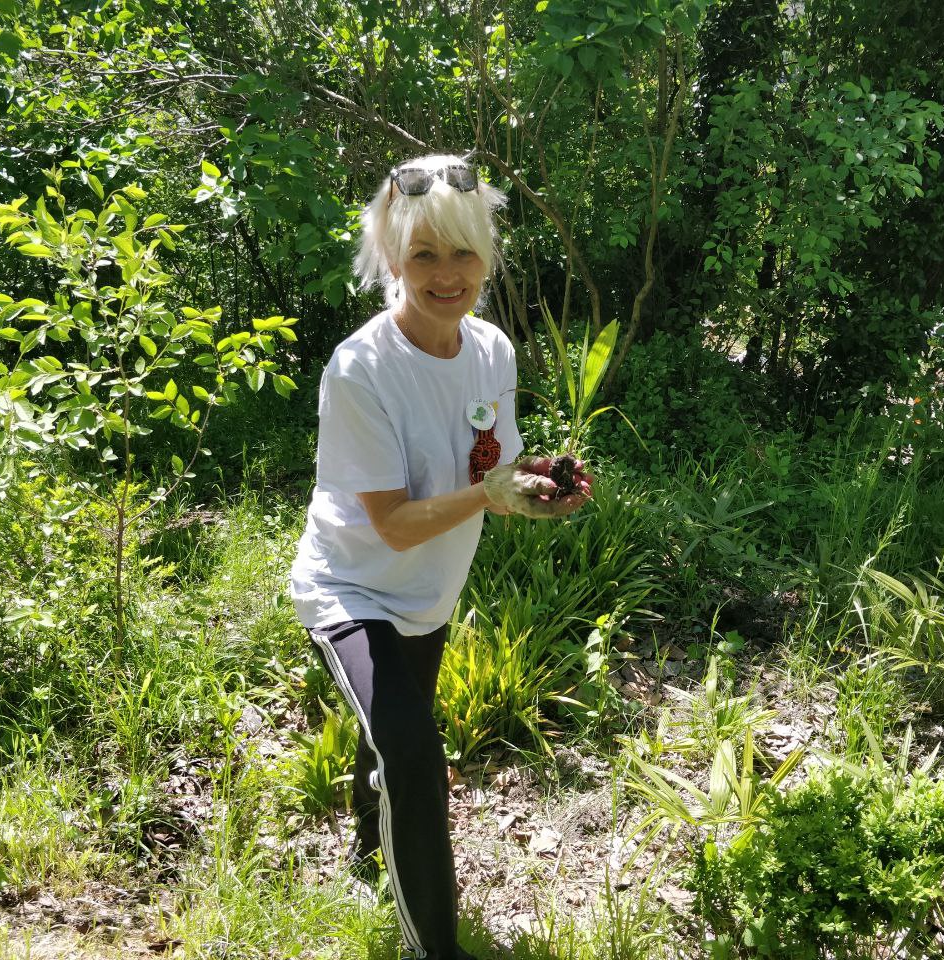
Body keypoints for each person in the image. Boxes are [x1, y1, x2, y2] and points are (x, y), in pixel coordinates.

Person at [289, 154, 591, 960]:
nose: (447, 274)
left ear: (488, 256)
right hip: (352, 585)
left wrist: (540, 490)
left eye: (463, 253)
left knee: (391, 732)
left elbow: (496, 470)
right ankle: (438, 948)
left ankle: (366, 855)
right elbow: (389, 524)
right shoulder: (361, 371)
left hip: (429, 587)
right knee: (415, 752)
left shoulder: (491, 351)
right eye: (425, 254)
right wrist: (490, 495)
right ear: (393, 260)